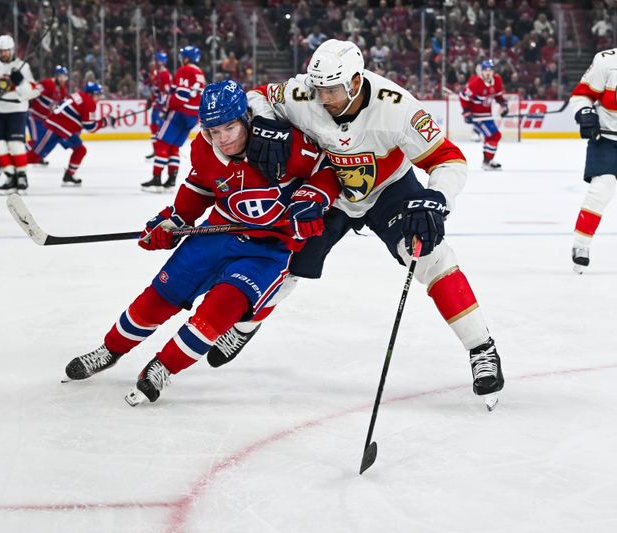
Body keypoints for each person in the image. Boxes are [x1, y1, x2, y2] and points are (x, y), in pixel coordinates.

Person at [211, 39, 504, 403]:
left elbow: (448, 158)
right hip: (330, 187)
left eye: (332, 89)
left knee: (432, 256)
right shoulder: (304, 93)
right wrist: (269, 122)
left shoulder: (396, 107)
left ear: (354, 82)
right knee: (287, 263)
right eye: (318, 88)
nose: (322, 97)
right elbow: (258, 95)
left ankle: (481, 349)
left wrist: (436, 198)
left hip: (389, 189)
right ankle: (244, 326)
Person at [63, 80, 339, 405]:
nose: (222, 139)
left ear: (247, 119)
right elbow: (200, 186)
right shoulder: (204, 148)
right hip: (217, 234)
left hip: (268, 250)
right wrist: (174, 220)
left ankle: (163, 368)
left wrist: (312, 199)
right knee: (159, 296)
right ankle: (109, 350)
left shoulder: (283, 142)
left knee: (222, 308)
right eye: (213, 131)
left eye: (229, 128)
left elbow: (327, 169)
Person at [568, 48, 617, 274]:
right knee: (601, 190)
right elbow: (582, 95)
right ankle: (581, 245)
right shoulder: (607, 61)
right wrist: (585, 111)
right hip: (606, 139)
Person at [0, 34, 40, 194]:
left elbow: (32, 93)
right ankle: (10, 175)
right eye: (0, 51)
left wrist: (20, 82)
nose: (3, 53)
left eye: (6, 51)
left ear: (12, 50)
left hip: (16, 111)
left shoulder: (22, 67)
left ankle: (22, 176)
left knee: (16, 145)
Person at [141, 45, 206, 193]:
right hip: (193, 116)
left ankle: (156, 178)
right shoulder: (199, 73)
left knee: (162, 144)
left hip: (179, 113)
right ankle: (171, 180)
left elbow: (181, 96)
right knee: (174, 147)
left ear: (186, 58)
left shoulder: (185, 70)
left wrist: (165, 105)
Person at [29, 81, 115, 186]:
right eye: (98, 95)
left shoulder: (78, 95)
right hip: (54, 129)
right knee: (35, 157)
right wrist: (105, 122)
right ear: (91, 94)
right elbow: (90, 127)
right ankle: (10, 165)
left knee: (80, 149)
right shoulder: (89, 102)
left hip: (64, 130)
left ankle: (69, 175)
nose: (99, 98)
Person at [459, 59, 509, 170]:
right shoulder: (476, 83)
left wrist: (503, 105)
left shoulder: (497, 80)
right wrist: (467, 112)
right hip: (477, 117)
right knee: (495, 136)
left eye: (490, 70)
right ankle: (487, 161)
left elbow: (498, 96)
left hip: (487, 115)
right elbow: (463, 96)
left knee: (491, 137)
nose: (488, 72)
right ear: (481, 71)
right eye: (485, 70)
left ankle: (487, 161)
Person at [26, 65, 69, 165]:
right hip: (33, 116)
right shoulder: (47, 83)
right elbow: (33, 93)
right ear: (56, 76)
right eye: (61, 76)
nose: (63, 79)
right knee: (35, 140)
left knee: (46, 140)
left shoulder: (62, 89)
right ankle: (18, 154)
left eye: (65, 77)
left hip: (44, 120)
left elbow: (61, 104)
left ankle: (38, 156)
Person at [145, 51, 172, 161]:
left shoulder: (165, 74)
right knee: (153, 127)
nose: (153, 62)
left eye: (155, 60)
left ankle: (164, 151)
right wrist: (151, 100)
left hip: (162, 106)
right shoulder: (155, 72)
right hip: (156, 105)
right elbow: (155, 90)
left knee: (161, 128)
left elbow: (167, 92)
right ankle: (156, 150)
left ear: (160, 62)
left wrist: (162, 104)